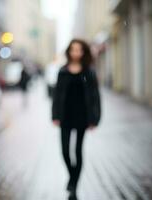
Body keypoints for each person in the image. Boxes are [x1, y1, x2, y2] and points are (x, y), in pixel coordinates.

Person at [52, 39, 101, 200]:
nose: (76, 53)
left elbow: (95, 97)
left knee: (78, 151)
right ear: (69, 52)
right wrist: (55, 115)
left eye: (79, 50)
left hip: (82, 117)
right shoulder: (62, 71)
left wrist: (95, 118)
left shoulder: (89, 72)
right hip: (65, 116)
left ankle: (74, 186)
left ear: (83, 52)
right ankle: (73, 177)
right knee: (65, 151)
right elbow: (57, 95)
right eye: (73, 50)